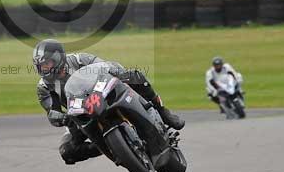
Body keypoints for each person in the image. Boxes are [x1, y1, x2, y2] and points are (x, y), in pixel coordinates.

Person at [33, 38, 185, 165]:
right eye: (41, 66)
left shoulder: (79, 60)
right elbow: (52, 111)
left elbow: (105, 67)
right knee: (66, 151)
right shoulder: (44, 87)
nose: (45, 69)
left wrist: (120, 73)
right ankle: (111, 148)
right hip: (80, 113)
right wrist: (61, 118)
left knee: (135, 76)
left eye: (48, 64)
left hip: (101, 94)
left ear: (59, 58)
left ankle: (163, 112)